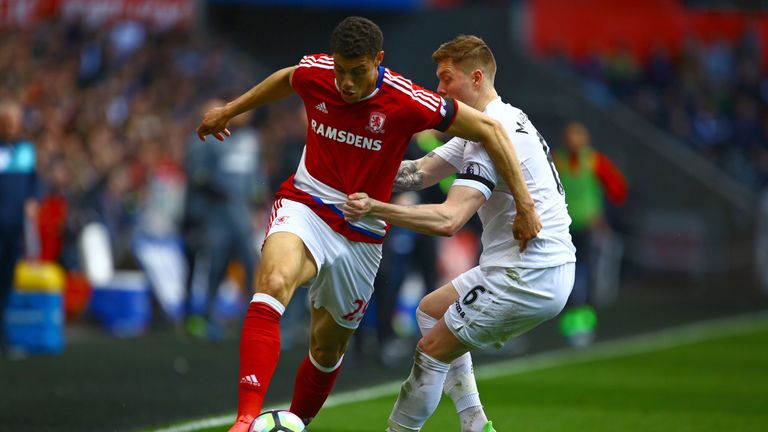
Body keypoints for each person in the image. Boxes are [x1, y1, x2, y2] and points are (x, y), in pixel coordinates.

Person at [195, 17, 541, 431]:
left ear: (378, 60)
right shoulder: (318, 73)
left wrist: (524, 203)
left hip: (362, 231)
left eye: (356, 72)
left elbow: (488, 128)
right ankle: (246, 419)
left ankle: (297, 423)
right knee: (272, 283)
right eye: (340, 70)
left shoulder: (408, 100)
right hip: (307, 201)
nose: (345, 82)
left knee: (326, 348)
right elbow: (289, 77)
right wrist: (229, 111)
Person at [342, 35, 576, 432]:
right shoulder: (492, 123)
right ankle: (474, 423)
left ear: (477, 77)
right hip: (530, 265)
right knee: (431, 312)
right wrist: (357, 166)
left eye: (446, 78)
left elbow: (450, 220)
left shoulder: (490, 137)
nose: (439, 90)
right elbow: (420, 172)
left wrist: (375, 208)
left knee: (430, 353)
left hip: (527, 274)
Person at [183, 99, 264, 339]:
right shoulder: (211, 138)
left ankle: (252, 320)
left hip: (242, 215)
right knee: (215, 265)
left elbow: (257, 179)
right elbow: (199, 176)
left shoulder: (251, 140)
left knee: (251, 267)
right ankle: (207, 316)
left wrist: (258, 206)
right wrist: (218, 192)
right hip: (217, 215)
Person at [553, 122, 627, 347]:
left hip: (581, 227)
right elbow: (618, 191)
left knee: (582, 277)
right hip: (566, 228)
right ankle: (577, 327)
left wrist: (603, 214)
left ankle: (581, 326)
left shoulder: (587, 161)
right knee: (574, 277)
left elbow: (618, 190)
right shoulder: (565, 160)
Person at [0, 100, 38, 356]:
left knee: (6, 279)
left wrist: (33, 201)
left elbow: (33, 182)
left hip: (14, 227)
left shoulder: (26, 150)